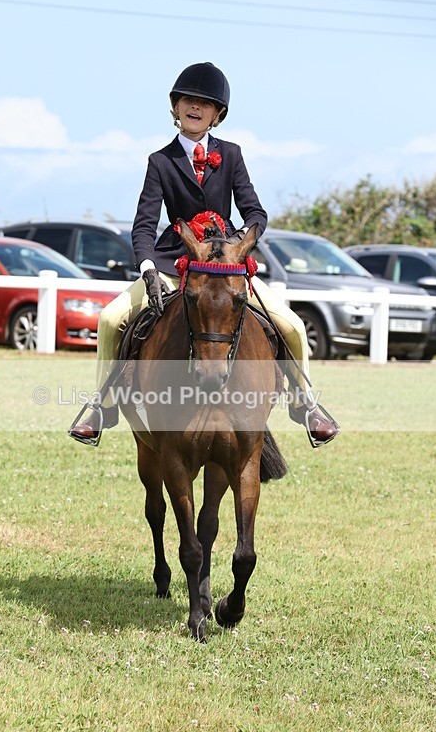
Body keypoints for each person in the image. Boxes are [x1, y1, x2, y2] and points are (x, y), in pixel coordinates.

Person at [70, 62, 339, 447]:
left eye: (204, 103)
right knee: (111, 319)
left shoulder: (231, 154)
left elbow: (255, 212)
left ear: (217, 115)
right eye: (187, 101)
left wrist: (241, 244)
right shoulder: (160, 161)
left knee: (292, 325)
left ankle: (307, 405)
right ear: (175, 108)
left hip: (223, 265)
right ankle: (102, 406)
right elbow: (144, 224)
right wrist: (147, 267)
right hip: (170, 263)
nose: (194, 107)